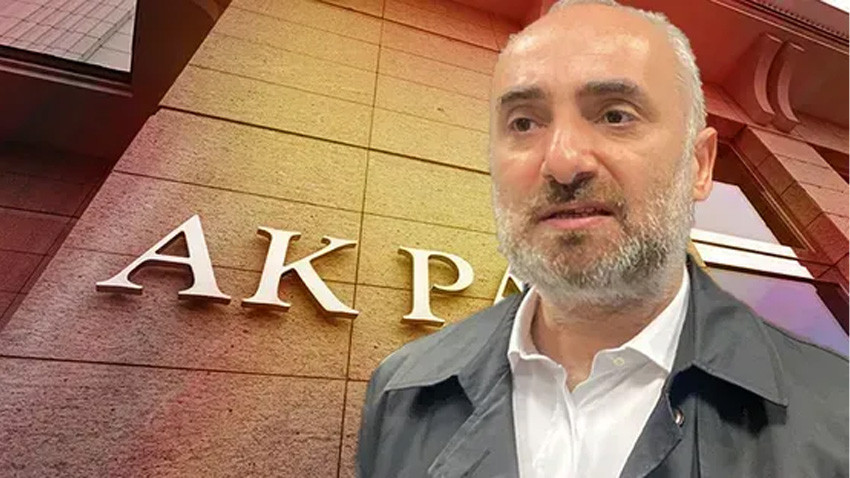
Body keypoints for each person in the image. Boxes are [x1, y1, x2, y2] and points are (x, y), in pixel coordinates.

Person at [356, 0, 849, 476]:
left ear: (699, 166)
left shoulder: (837, 415)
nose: (563, 162)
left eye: (615, 115)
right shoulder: (402, 393)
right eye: (524, 122)